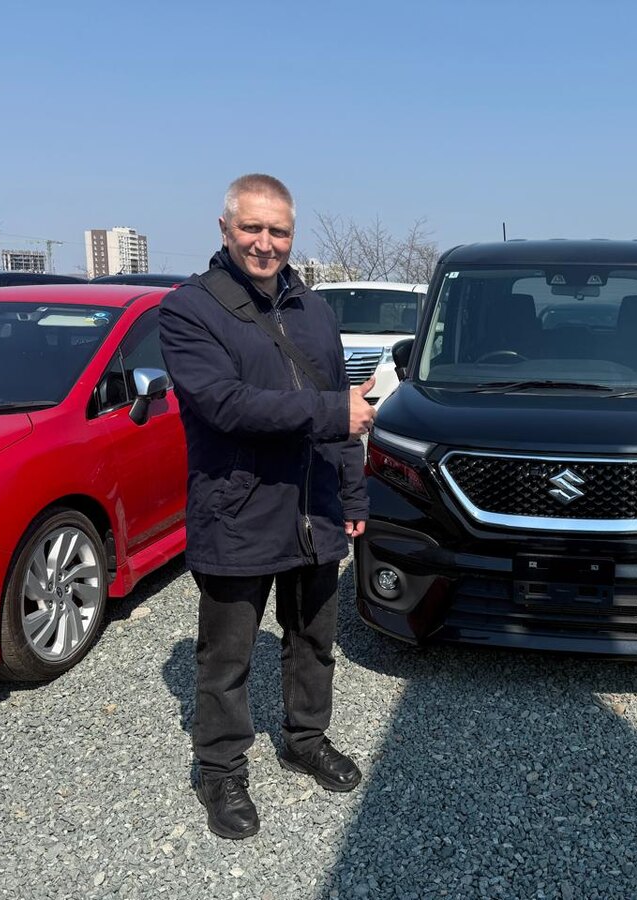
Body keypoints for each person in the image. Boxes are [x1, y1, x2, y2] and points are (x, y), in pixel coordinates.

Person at [159, 173, 376, 840]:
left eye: (278, 230)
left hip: (314, 506)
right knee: (225, 658)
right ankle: (220, 770)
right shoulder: (189, 309)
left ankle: (305, 739)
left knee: (313, 639)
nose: (265, 242)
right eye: (251, 227)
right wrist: (331, 413)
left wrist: (352, 491)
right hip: (238, 509)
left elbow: (341, 409)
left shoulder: (315, 309)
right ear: (225, 229)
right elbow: (223, 405)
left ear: (291, 235)